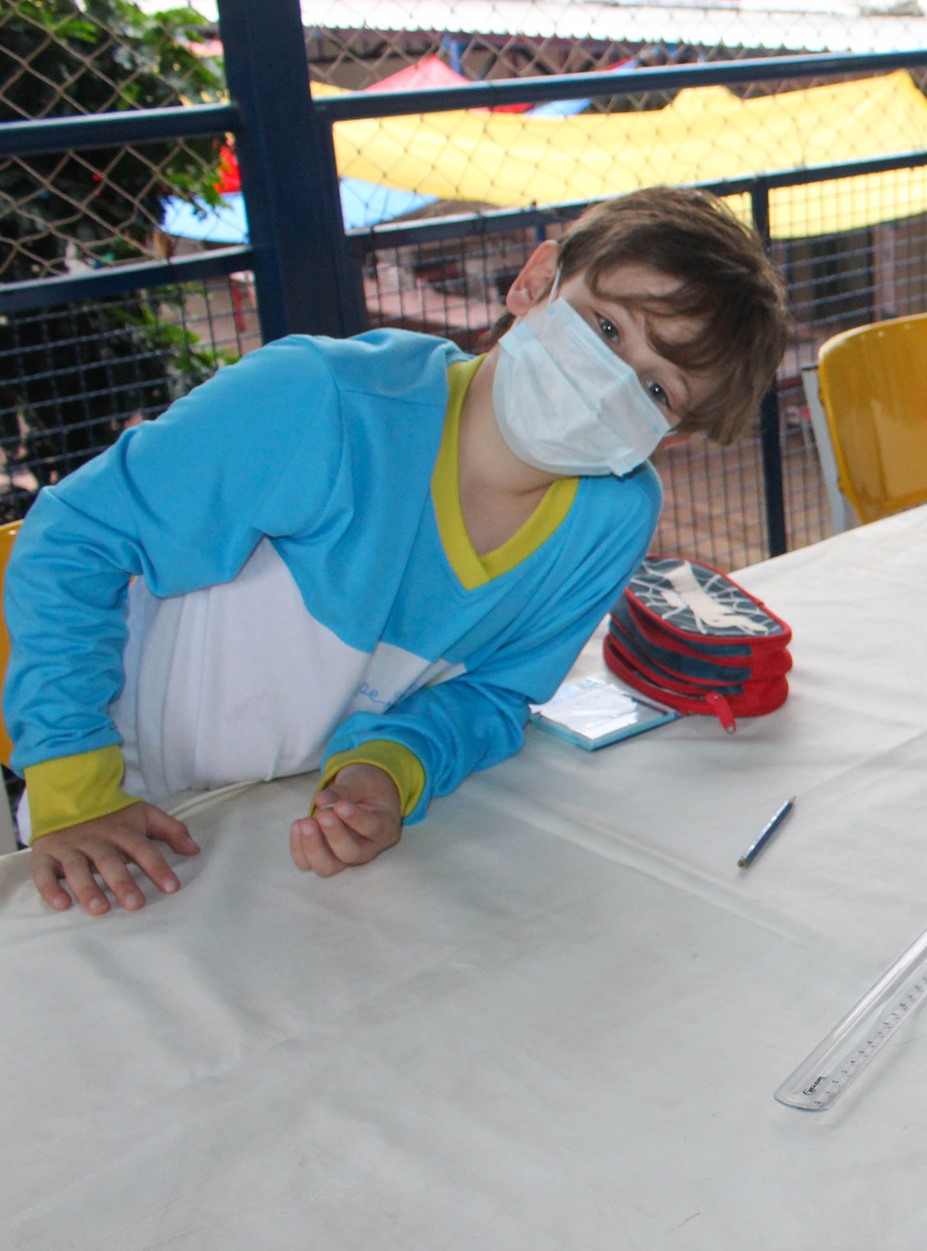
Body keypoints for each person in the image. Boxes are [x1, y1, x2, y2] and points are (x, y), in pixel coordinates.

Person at [5, 186, 788, 916]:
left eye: (655, 390)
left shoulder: (613, 517)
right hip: (113, 803)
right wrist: (77, 791)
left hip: (269, 833)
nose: (607, 380)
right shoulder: (323, 404)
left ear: (669, 436)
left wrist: (386, 767)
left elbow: (491, 697)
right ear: (537, 280)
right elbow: (73, 541)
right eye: (607, 328)